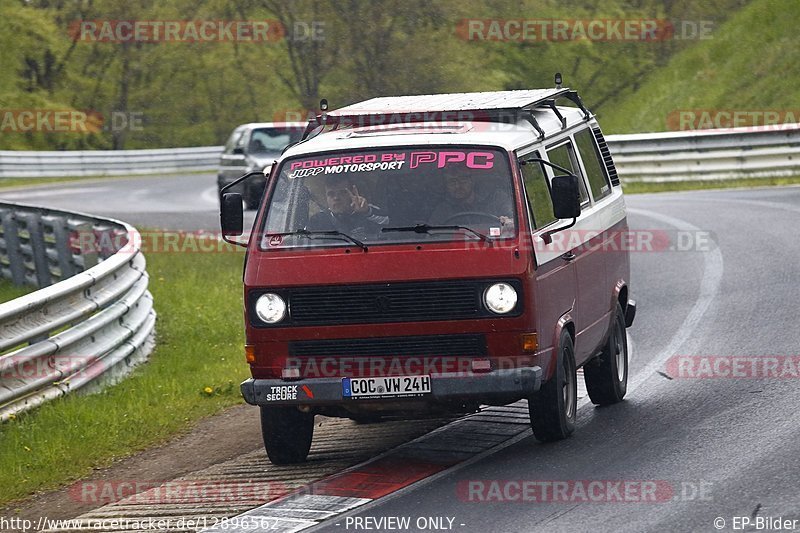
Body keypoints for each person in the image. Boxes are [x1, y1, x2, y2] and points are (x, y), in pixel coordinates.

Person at [308, 175, 389, 236]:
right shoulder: (317, 220)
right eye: (331, 194)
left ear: (353, 193)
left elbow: (388, 223)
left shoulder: (367, 210)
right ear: (326, 197)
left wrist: (366, 212)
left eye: (342, 192)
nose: (336, 198)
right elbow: (306, 242)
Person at [429, 173, 513, 227]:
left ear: (472, 181)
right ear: (446, 186)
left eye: (463, 180)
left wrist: (507, 221)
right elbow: (431, 234)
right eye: (452, 182)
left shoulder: (495, 199)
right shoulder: (443, 209)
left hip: (492, 244)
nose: (458, 186)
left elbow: (515, 221)